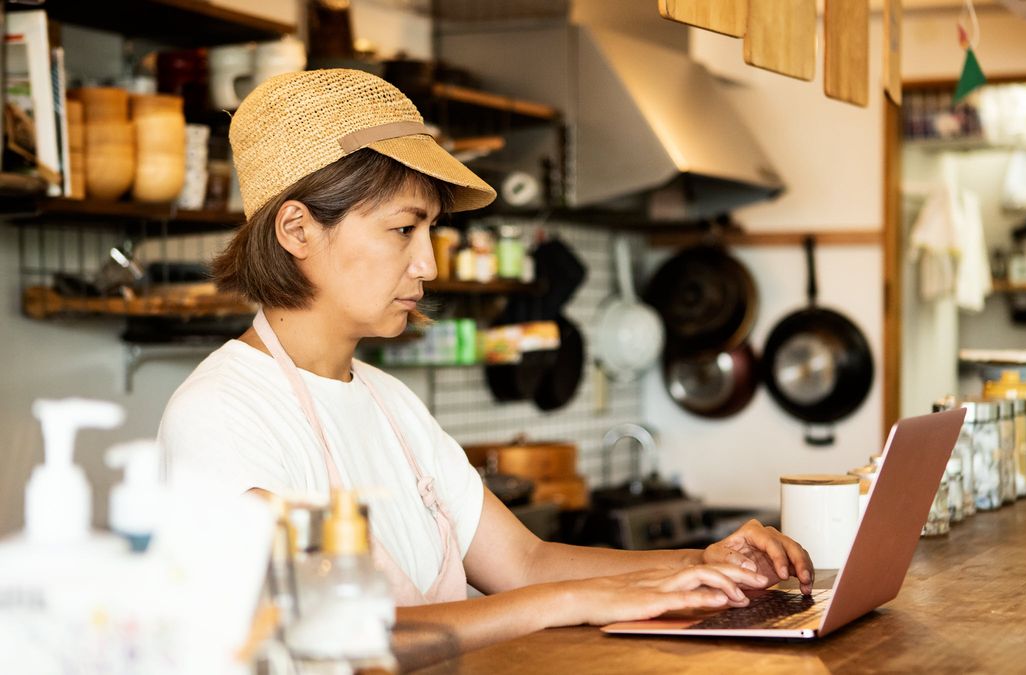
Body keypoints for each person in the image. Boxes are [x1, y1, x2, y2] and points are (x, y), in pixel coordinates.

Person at [158, 69, 812, 651]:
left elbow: (525, 562)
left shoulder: (391, 403)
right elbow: (350, 637)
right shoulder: (222, 417)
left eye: (431, 231)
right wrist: (580, 601)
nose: (428, 264)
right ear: (297, 229)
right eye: (402, 228)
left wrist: (700, 562)